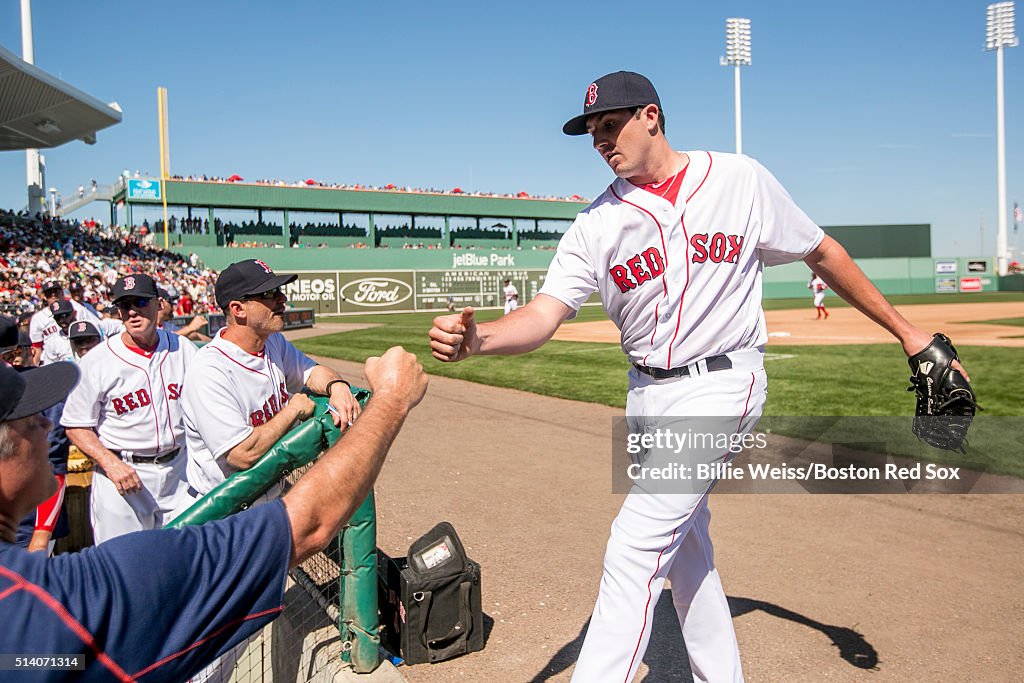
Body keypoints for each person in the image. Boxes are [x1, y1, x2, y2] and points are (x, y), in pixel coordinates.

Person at [428, 70, 966, 683]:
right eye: (592, 133)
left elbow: (821, 250)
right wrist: (481, 339)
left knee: (635, 545)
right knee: (686, 555)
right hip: (646, 396)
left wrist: (909, 332)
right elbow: (544, 313)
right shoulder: (596, 224)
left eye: (612, 124)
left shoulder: (740, 179)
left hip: (723, 382)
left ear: (651, 116)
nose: (602, 140)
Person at [0, 347, 427, 682]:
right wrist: (390, 400)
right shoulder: (62, 599)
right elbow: (308, 523)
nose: (46, 426)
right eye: (28, 419)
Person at [181, 259, 362, 504]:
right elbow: (241, 454)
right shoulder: (210, 370)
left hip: (267, 499)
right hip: (221, 511)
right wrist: (293, 410)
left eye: (278, 290)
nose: (282, 299)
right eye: (269, 293)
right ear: (238, 309)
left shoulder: (272, 342)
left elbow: (312, 372)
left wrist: (337, 386)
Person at [61, 274, 196, 543]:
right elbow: (76, 425)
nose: (133, 311)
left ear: (159, 304)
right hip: (122, 478)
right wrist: (110, 464)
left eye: (141, 301)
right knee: (122, 568)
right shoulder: (97, 361)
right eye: (124, 306)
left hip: (180, 473)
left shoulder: (185, 350)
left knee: (183, 562)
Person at [29, 280, 101, 366]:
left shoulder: (77, 308)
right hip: (54, 356)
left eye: (56, 292)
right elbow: (37, 347)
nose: (53, 295)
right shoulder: (38, 318)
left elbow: (99, 326)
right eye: (49, 293)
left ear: (62, 292)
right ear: (44, 296)